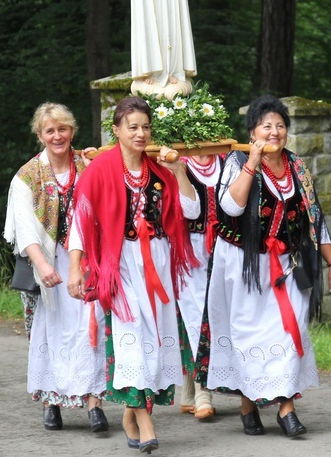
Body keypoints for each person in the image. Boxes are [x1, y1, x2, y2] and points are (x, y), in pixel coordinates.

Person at [195, 95, 331, 438]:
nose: (274, 132)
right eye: (267, 126)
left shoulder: (297, 167)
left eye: (280, 126)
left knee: (290, 333)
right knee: (248, 336)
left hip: (284, 266)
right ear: (252, 132)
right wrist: (253, 162)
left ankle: (286, 409)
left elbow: (314, 219)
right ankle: (248, 405)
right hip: (242, 264)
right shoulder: (237, 160)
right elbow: (230, 207)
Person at [67, 96, 200, 454]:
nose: (141, 133)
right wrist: (74, 268)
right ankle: (144, 421)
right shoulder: (100, 169)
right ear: (117, 130)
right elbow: (81, 222)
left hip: (156, 261)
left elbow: (191, 210)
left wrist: (179, 171)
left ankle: (130, 413)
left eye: (145, 127)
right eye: (133, 127)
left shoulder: (158, 170)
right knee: (131, 341)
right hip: (119, 263)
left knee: (154, 344)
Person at [4, 102, 108, 433]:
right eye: (50, 131)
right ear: (40, 136)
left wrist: (100, 163)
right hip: (45, 264)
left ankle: (95, 404)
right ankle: (51, 403)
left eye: (63, 129)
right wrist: (42, 265)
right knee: (49, 331)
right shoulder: (26, 176)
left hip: (86, 260)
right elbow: (23, 228)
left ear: (72, 131)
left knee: (90, 327)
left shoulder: (88, 165)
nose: (58, 136)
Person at [177, 154, 225, 421]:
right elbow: (187, 211)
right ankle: (202, 389)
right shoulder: (174, 161)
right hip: (188, 248)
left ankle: (188, 391)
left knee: (216, 315)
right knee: (195, 315)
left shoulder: (228, 159)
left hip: (225, 247)